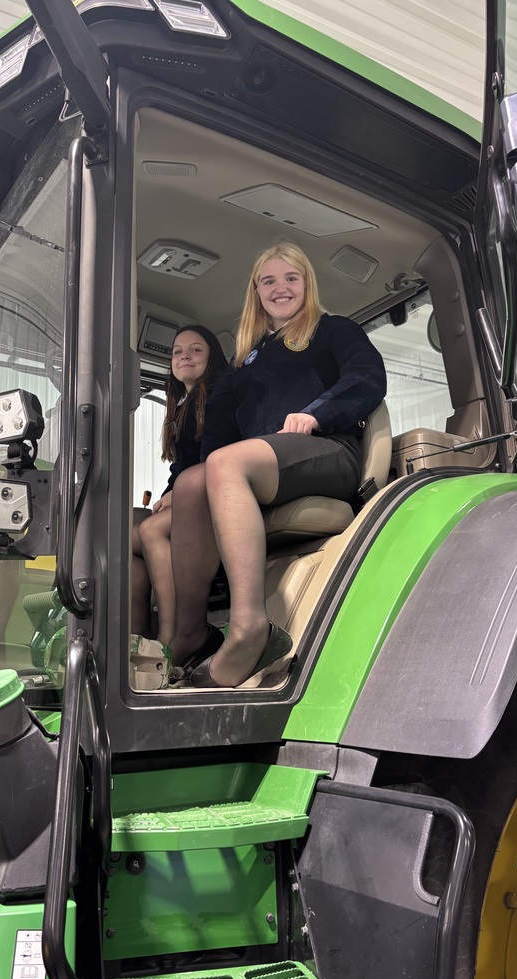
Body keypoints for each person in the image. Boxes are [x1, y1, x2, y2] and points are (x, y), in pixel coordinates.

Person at [167, 242, 387, 688]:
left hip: (327, 451)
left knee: (223, 465)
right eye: (268, 280)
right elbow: (219, 433)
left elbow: (367, 376)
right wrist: (204, 475)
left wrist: (318, 411)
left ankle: (251, 628)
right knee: (193, 482)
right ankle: (189, 631)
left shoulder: (332, 330)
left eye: (291, 278)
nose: (280, 288)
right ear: (256, 291)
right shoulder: (245, 360)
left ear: (307, 284)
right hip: (266, 467)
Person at [132, 325, 228, 640]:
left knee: (149, 529)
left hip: (214, 496)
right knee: (124, 537)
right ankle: (137, 642)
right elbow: (180, 467)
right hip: (190, 493)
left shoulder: (218, 392)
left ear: (212, 357)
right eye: (177, 351)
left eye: (196, 349)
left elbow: (214, 455)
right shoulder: (184, 403)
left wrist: (176, 495)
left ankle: (174, 636)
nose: (184, 356)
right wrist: (167, 494)